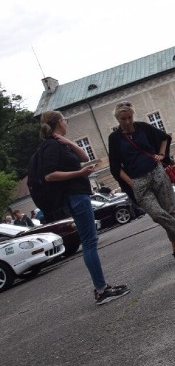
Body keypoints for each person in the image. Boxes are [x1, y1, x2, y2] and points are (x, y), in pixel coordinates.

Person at [37, 110, 130, 305]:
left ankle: (102, 287)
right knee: (89, 242)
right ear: (59, 123)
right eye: (65, 120)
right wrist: (79, 173)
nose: (67, 123)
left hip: (79, 195)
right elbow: (49, 175)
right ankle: (101, 289)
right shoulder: (51, 147)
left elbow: (82, 155)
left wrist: (67, 141)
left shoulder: (59, 143)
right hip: (75, 197)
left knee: (90, 241)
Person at [108, 101, 175, 263]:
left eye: (129, 117)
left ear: (133, 115)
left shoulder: (142, 127)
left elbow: (164, 138)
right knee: (157, 214)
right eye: (122, 119)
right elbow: (115, 167)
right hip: (138, 181)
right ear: (117, 119)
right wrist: (132, 183)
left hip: (157, 173)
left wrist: (161, 154)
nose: (127, 122)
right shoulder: (114, 138)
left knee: (170, 212)